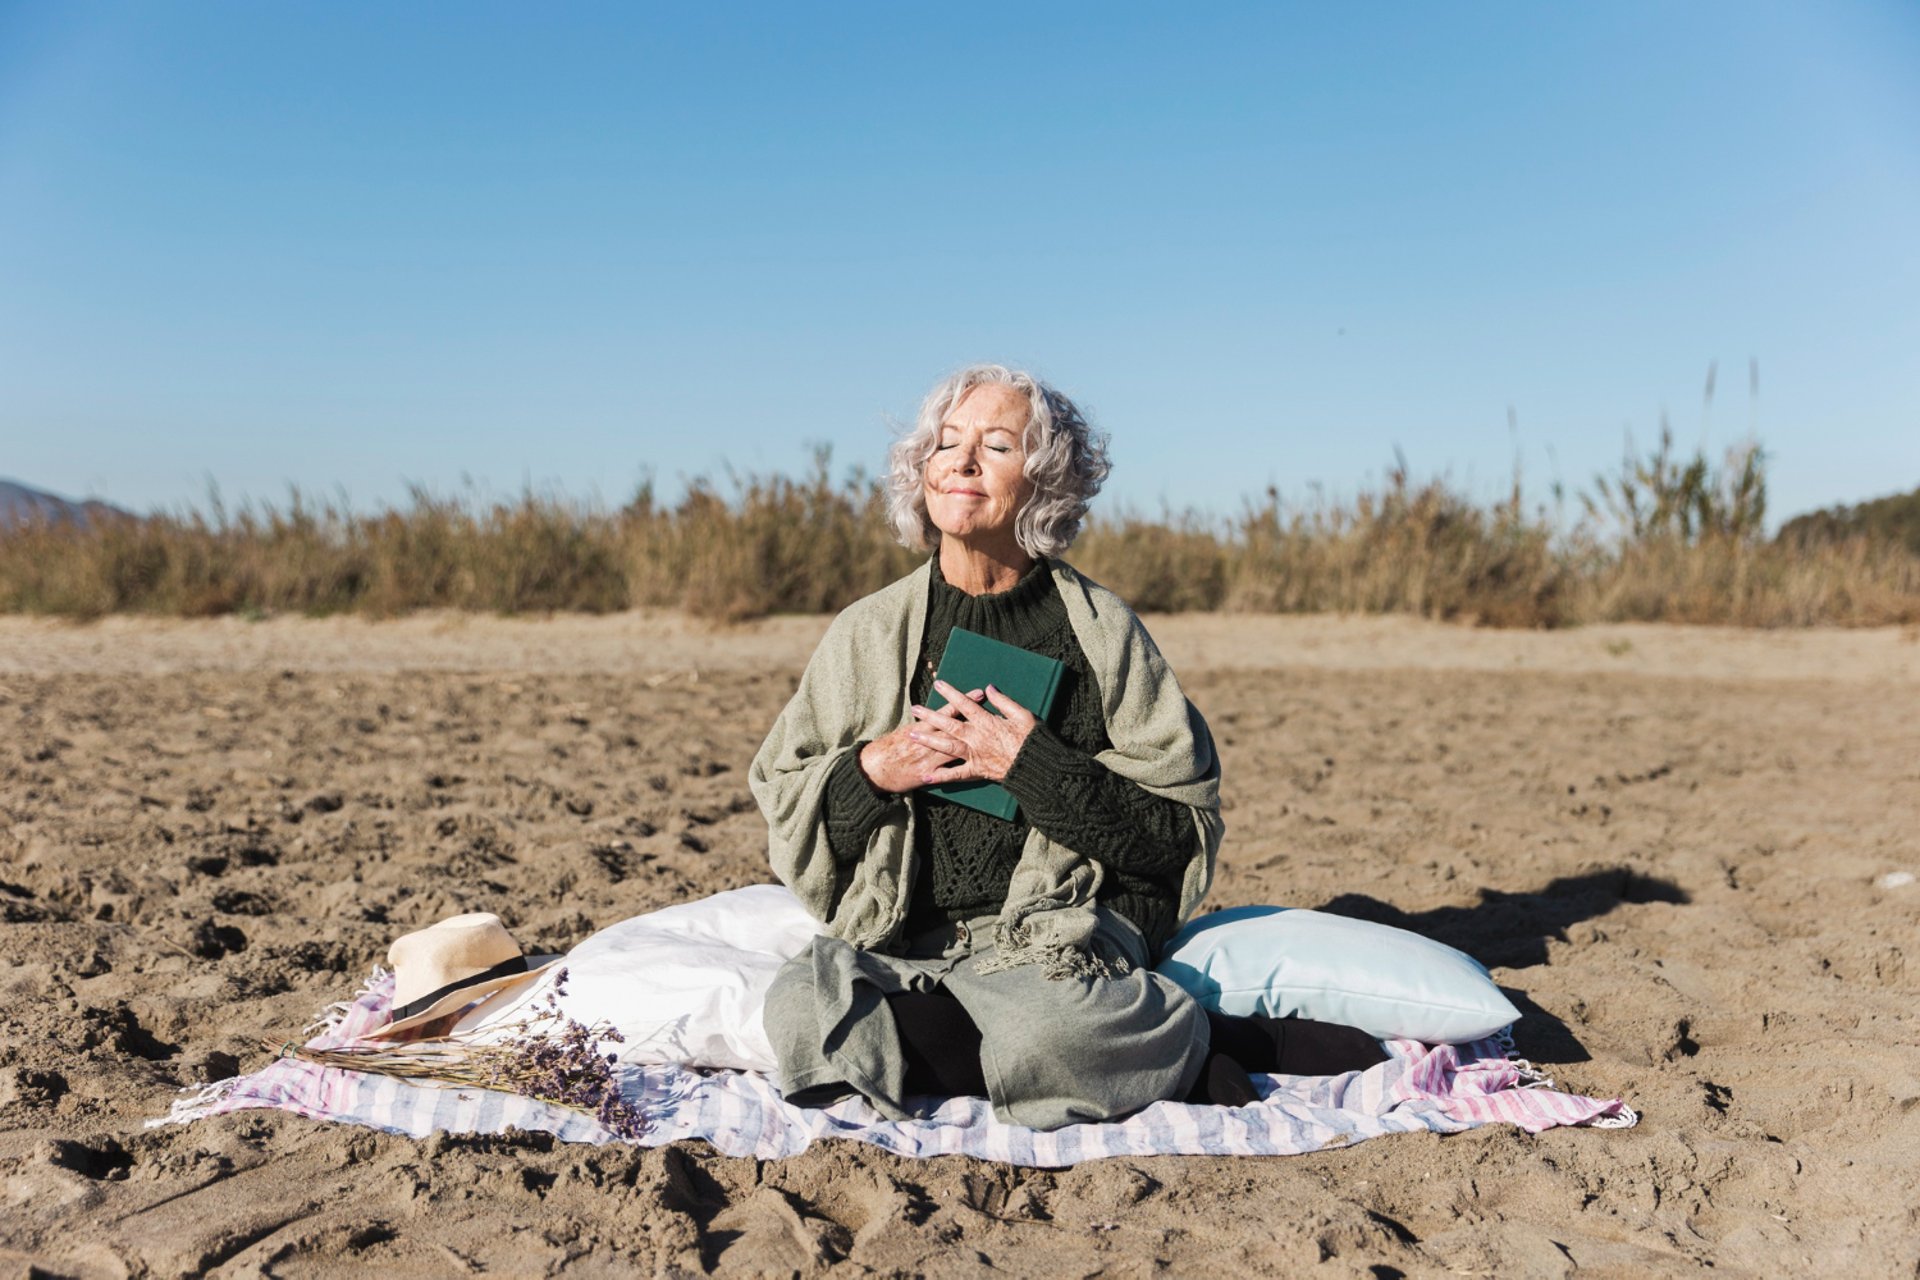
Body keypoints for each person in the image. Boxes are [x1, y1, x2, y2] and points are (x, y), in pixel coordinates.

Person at [750, 364, 1383, 1131]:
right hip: (904, 938)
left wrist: (1033, 767)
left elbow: (1172, 840)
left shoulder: (1103, 631)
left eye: (996, 445)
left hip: (1054, 942)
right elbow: (790, 806)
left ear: (1045, 481)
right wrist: (870, 771)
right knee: (799, 1010)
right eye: (945, 444)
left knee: (1052, 1031)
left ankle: (1203, 1037)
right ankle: (1131, 1049)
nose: (961, 461)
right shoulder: (866, 631)